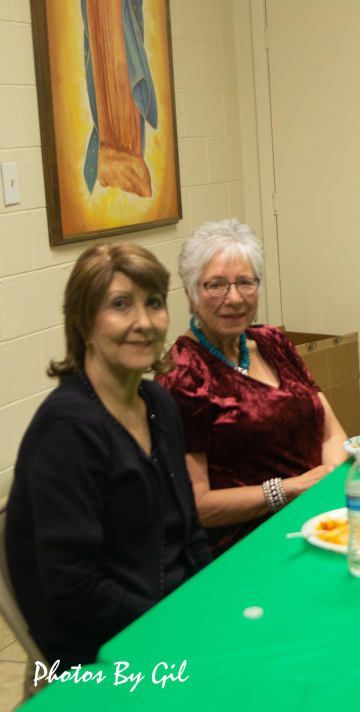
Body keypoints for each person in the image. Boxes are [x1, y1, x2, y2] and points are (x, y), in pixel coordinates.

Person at [5, 243, 211, 669]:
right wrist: (171, 626)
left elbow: (190, 534)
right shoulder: (66, 431)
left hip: (172, 620)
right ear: (84, 322)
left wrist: (213, 603)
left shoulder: (158, 403)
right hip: (102, 652)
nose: (143, 322)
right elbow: (73, 586)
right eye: (120, 305)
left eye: (153, 303)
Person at [157, 219, 348, 556]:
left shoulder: (272, 341)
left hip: (320, 521)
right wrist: (289, 490)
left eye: (245, 282)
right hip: (247, 546)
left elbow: (330, 431)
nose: (233, 298)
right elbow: (197, 504)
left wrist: (331, 481)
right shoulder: (183, 374)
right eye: (215, 285)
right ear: (189, 294)